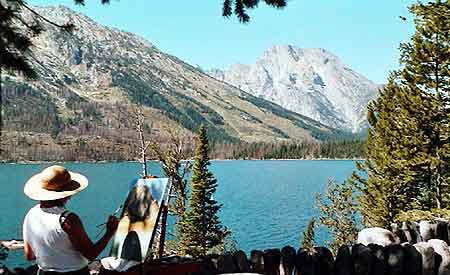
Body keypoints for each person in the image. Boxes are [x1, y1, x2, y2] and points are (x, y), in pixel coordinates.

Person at [22, 165, 119, 275]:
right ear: (67, 194)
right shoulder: (67, 219)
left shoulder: (31, 214)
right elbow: (91, 254)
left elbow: (29, 255)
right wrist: (109, 232)